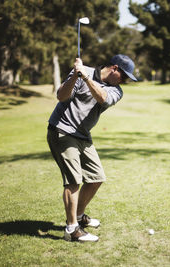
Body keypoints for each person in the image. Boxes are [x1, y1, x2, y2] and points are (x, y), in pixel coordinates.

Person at [47, 54, 137, 242]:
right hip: (62, 131)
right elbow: (61, 96)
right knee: (73, 180)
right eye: (124, 76)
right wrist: (75, 76)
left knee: (96, 178)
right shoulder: (81, 72)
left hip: (82, 135)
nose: (125, 81)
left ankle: (78, 217)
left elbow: (102, 98)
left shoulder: (116, 90)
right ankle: (71, 230)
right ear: (114, 68)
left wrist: (85, 78)